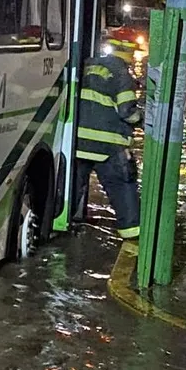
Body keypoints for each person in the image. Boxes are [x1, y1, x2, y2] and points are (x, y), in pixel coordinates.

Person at [74, 51, 142, 240]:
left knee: (71, 187)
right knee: (122, 186)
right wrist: (140, 120)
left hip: (78, 142)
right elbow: (126, 110)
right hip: (109, 145)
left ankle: (63, 224)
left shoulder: (84, 65)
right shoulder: (120, 72)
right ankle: (133, 235)